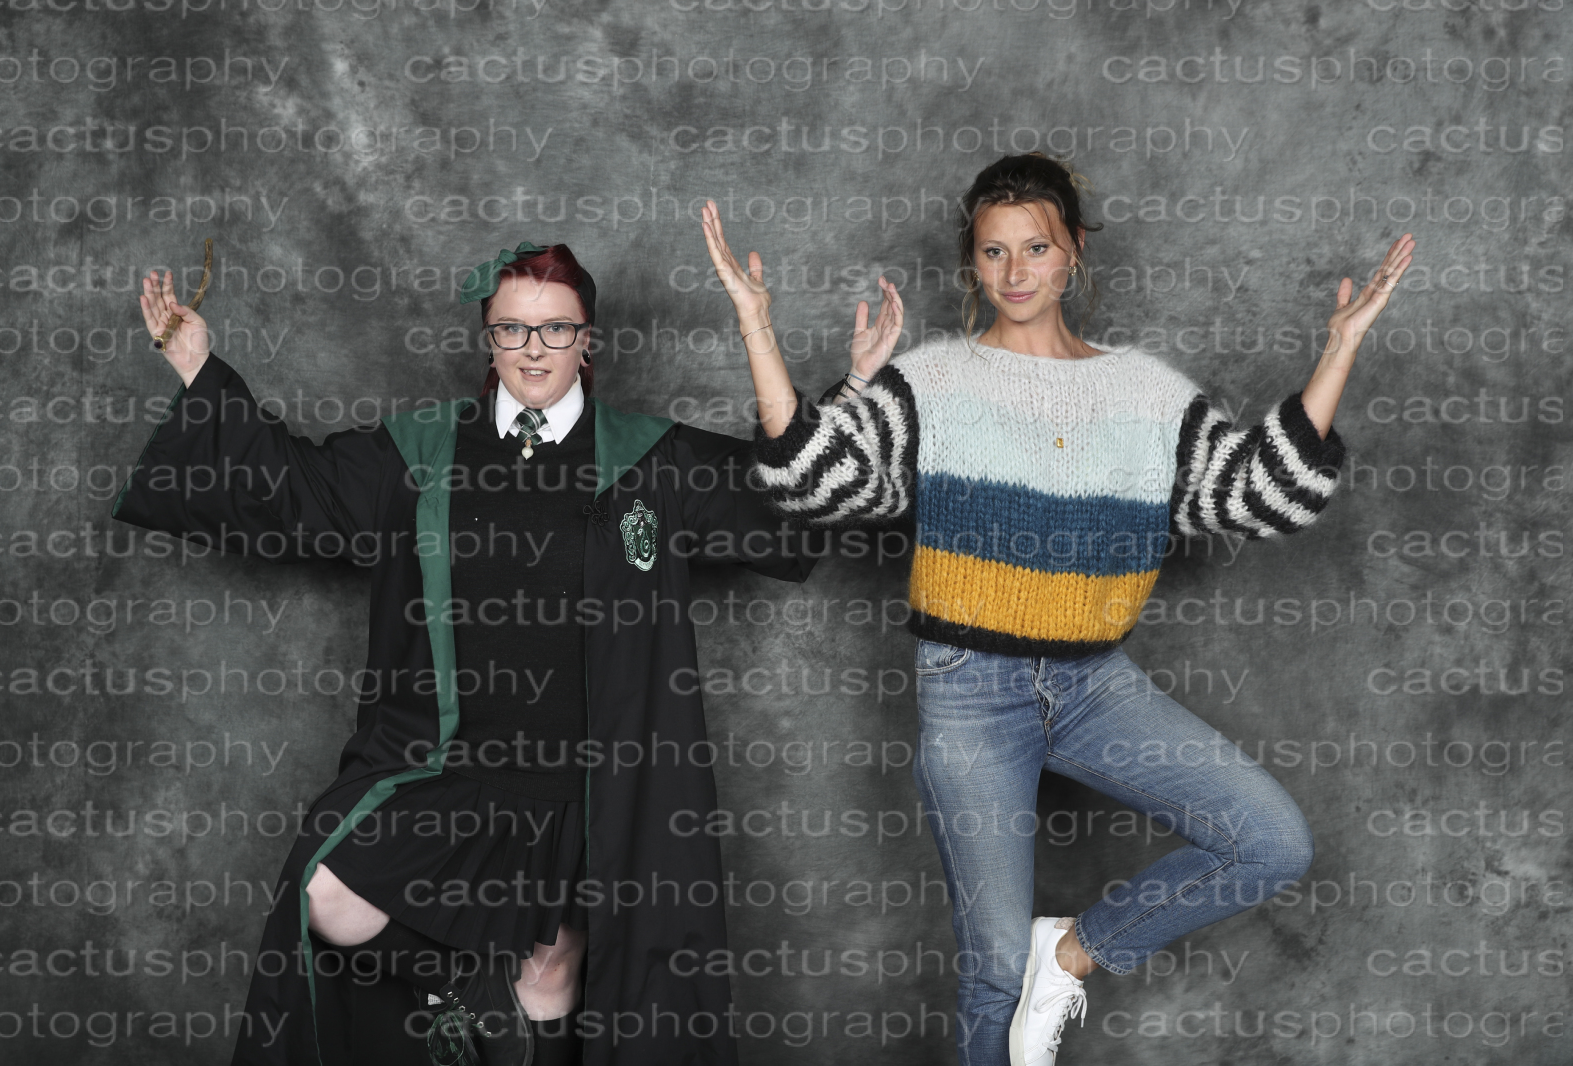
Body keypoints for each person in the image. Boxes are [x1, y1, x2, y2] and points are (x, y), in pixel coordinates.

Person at [699, 152, 1415, 1066]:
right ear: (973, 262)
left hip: (1093, 688)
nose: (1015, 272)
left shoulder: (1147, 392)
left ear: (1073, 249)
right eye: (994, 252)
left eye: (1036, 247)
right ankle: (1030, 971)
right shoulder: (935, 379)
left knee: (1269, 840)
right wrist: (758, 329)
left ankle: (1068, 954)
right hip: (970, 693)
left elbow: (1257, 495)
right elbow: (813, 481)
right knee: (996, 975)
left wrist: (1339, 348)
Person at [113, 241, 820, 1066]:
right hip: (449, 766)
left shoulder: (650, 460)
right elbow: (291, 486)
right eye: (511, 329)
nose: (534, 349)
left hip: (593, 787)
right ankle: (466, 984)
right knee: (327, 894)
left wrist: (757, 328)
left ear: (587, 339)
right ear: (489, 339)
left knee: (553, 985)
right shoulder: (421, 455)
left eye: (556, 329)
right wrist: (198, 369)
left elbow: (789, 491)